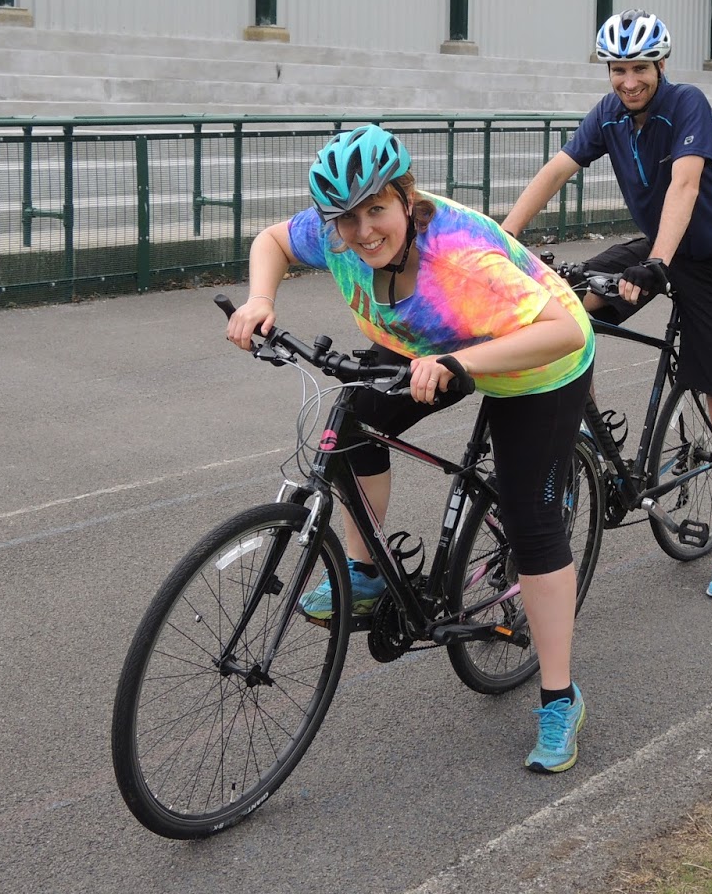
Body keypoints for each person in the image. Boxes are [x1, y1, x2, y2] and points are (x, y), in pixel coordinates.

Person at [225, 123, 596, 774]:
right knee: (352, 423)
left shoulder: (459, 261)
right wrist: (260, 298)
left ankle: (560, 698)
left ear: (406, 197)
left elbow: (564, 330)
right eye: (347, 218)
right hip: (432, 345)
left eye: (377, 210)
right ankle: (366, 575)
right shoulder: (336, 234)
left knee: (533, 526)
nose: (364, 231)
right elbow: (273, 242)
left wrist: (462, 361)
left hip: (535, 356)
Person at [502, 9, 712, 600]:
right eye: (618, 69)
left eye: (639, 68)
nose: (628, 81)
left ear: (660, 65)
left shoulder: (687, 103)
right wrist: (504, 239)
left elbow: (686, 186)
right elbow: (559, 168)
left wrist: (659, 266)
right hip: (658, 247)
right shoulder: (609, 114)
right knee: (565, 314)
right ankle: (588, 434)